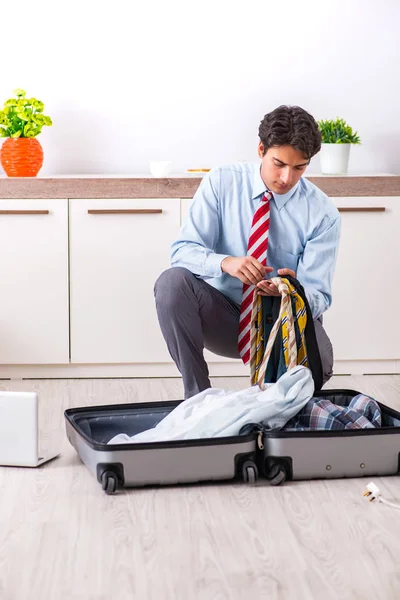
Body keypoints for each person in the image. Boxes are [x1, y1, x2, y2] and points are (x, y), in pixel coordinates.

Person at [154, 105, 341, 399]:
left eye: (299, 168)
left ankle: (277, 404)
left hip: (281, 323)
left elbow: (319, 295)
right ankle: (198, 399)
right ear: (260, 149)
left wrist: (292, 292)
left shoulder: (323, 214)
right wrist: (225, 263)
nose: (286, 178)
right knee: (171, 283)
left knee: (324, 363)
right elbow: (182, 251)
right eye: (278, 163)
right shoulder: (222, 181)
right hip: (222, 316)